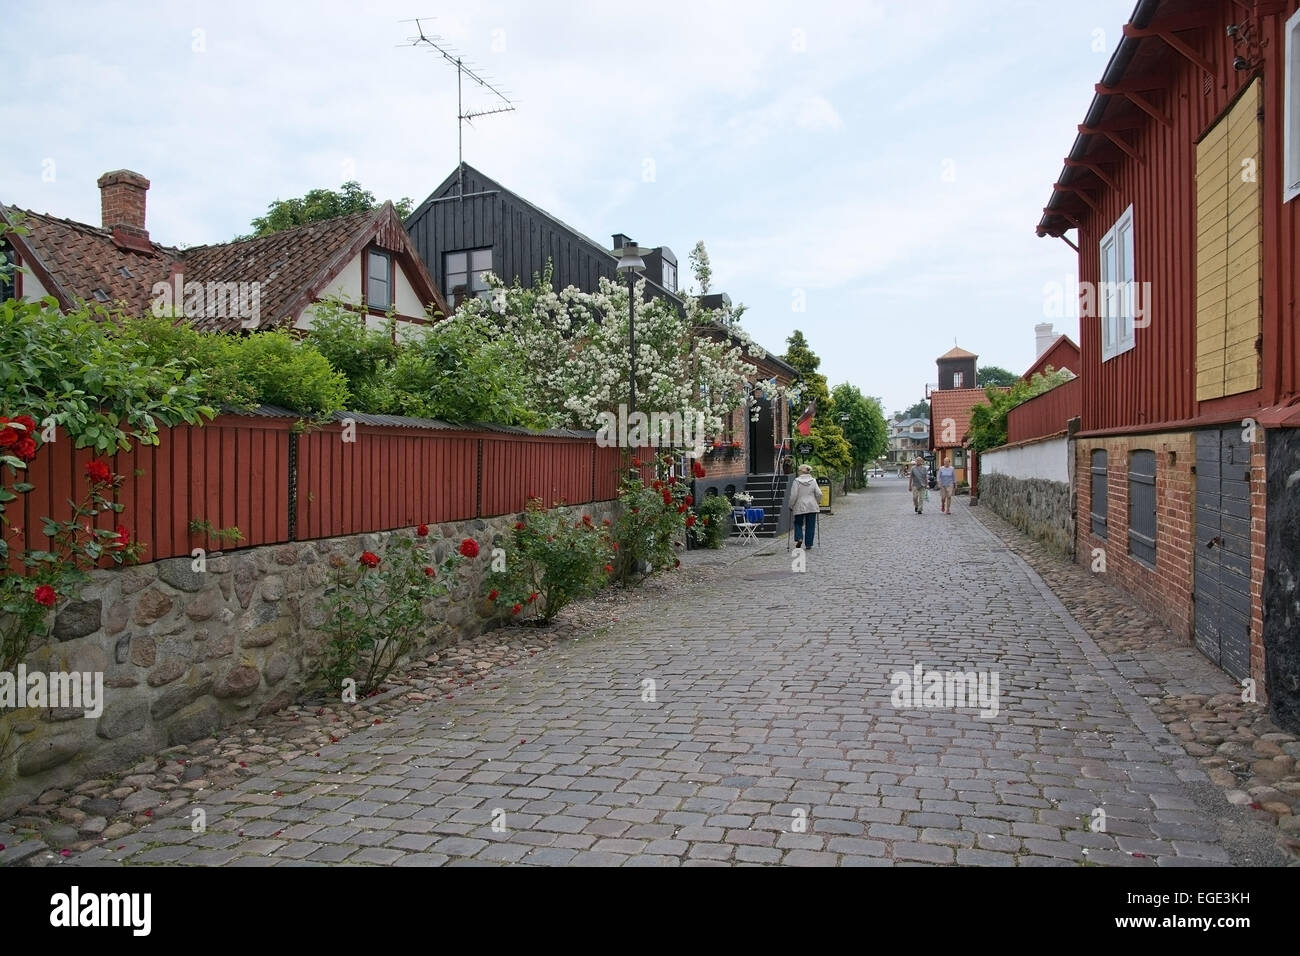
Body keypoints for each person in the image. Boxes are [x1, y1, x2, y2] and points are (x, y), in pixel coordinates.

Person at [790, 464, 821, 549]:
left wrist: (790, 505)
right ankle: (809, 544)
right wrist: (817, 502)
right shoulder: (813, 481)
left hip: (799, 505)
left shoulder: (796, 481)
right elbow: (819, 493)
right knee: (810, 525)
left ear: (800, 471)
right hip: (812, 506)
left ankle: (799, 538)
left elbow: (793, 495)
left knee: (798, 523)